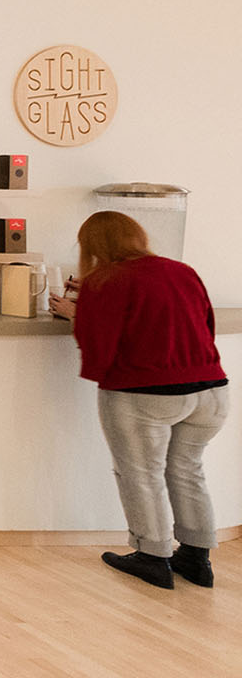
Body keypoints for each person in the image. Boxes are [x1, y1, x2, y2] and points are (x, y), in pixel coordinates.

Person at [50, 211, 228, 590]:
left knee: (141, 475)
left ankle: (152, 557)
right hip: (210, 390)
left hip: (145, 394)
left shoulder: (105, 280)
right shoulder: (181, 270)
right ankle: (196, 559)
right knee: (188, 470)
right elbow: (203, 325)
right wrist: (93, 299)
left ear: (92, 245)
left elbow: (98, 346)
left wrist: (78, 312)